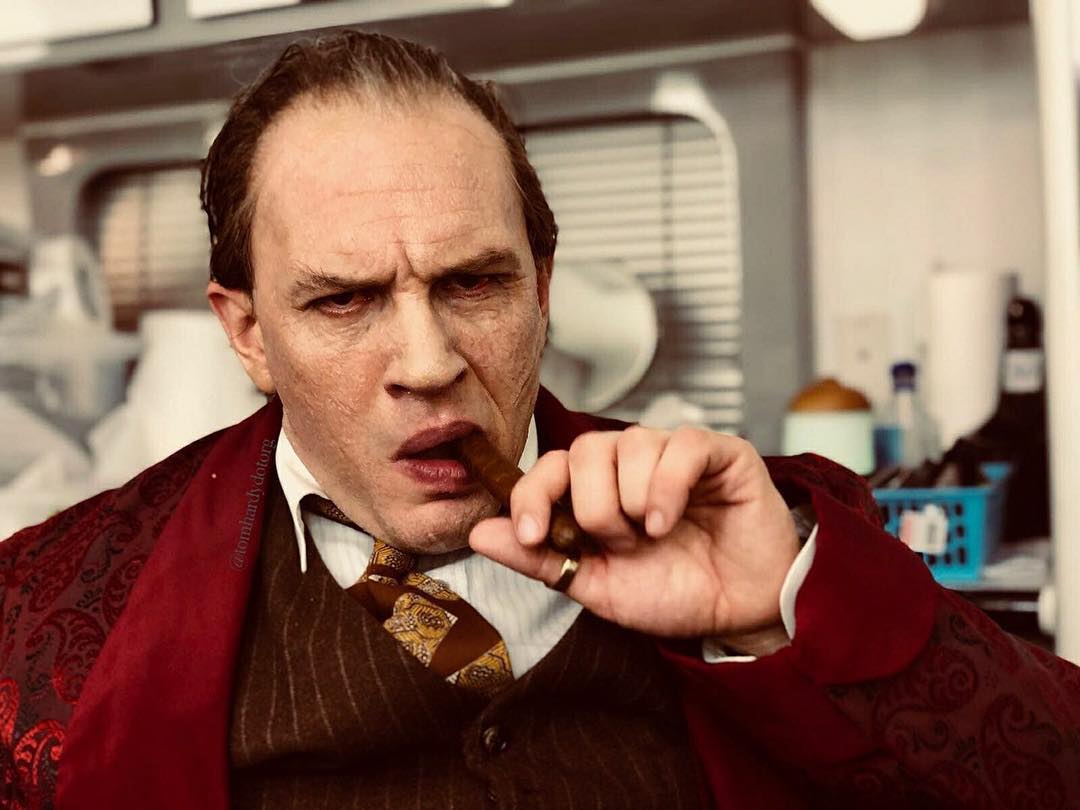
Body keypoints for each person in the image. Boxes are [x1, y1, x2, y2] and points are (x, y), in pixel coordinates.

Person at [2, 30, 1078, 810]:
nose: (428, 364)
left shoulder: (769, 536)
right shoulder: (46, 615)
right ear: (247, 335)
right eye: (343, 301)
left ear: (543, 287)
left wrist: (782, 614)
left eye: (474, 284)